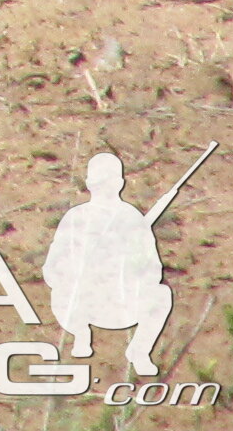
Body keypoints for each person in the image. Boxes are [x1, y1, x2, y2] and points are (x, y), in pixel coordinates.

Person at [42, 153, 174, 375]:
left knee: (161, 295)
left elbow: (152, 269)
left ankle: (139, 351)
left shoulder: (132, 218)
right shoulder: (76, 217)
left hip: (120, 302)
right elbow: (53, 266)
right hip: (81, 303)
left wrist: (128, 272)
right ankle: (81, 334)